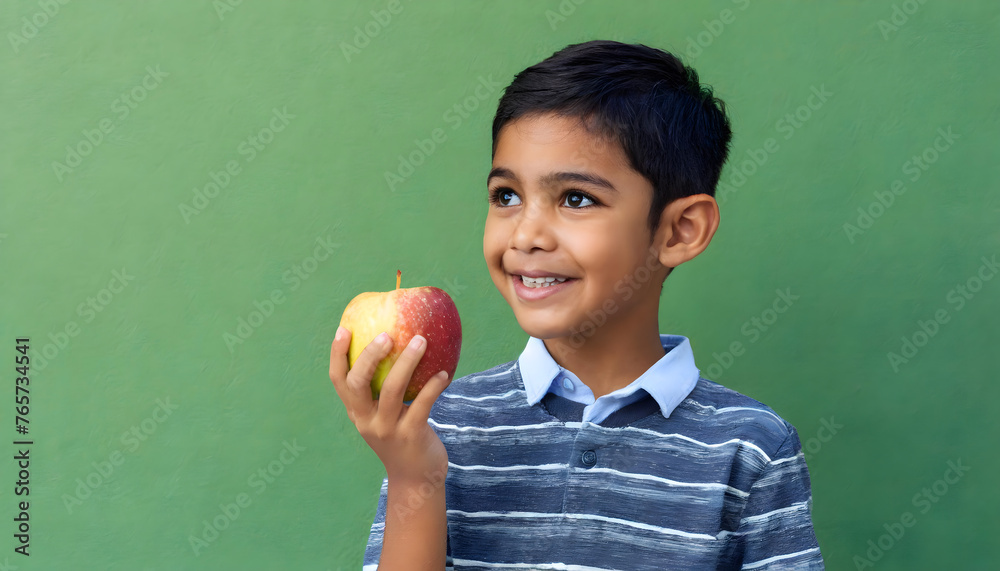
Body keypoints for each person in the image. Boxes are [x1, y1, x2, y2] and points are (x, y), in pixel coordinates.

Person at [330, 39, 825, 570]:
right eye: (506, 197)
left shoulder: (752, 448)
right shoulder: (437, 428)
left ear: (680, 229)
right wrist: (414, 478)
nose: (526, 235)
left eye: (576, 199)